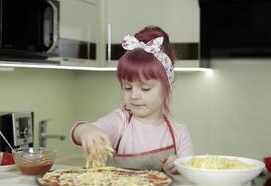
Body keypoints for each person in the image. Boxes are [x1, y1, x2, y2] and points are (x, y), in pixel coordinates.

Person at [70, 26, 193, 174]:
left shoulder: (179, 134)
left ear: (167, 87)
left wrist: (178, 168)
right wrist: (87, 131)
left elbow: (189, 178)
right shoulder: (120, 122)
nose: (134, 96)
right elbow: (81, 130)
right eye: (127, 88)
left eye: (145, 88)